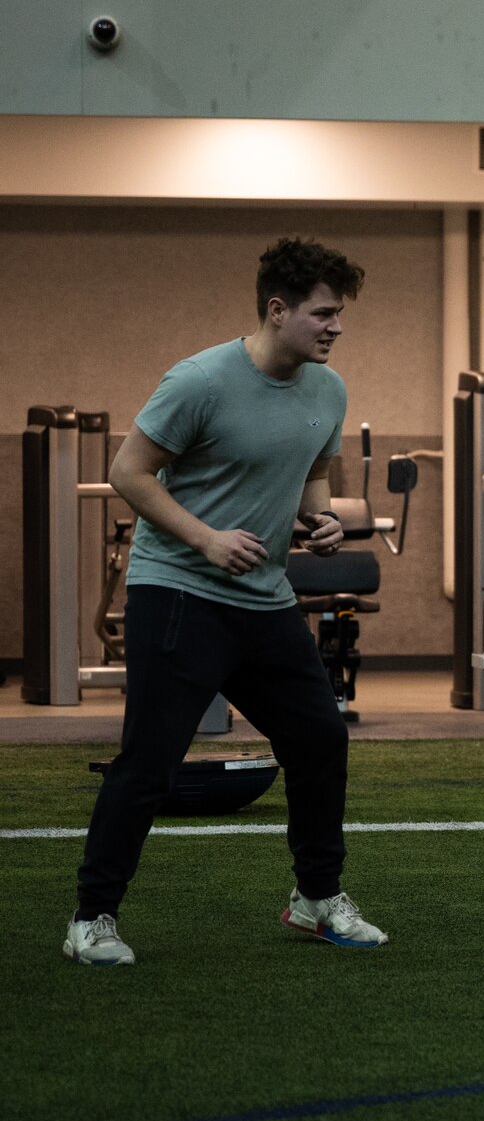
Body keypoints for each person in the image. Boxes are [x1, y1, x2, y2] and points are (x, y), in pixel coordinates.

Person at [64, 238, 385, 966]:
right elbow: (129, 471)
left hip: (263, 598)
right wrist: (206, 539)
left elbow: (311, 476)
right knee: (150, 761)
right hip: (178, 590)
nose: (337, 327)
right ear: (278, 310)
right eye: (324, 313)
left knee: (318, 738)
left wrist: (322, 517)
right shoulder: (201, 380)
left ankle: (315, 899)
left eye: (339, 314)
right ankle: (92, 917)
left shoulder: (327, 389)